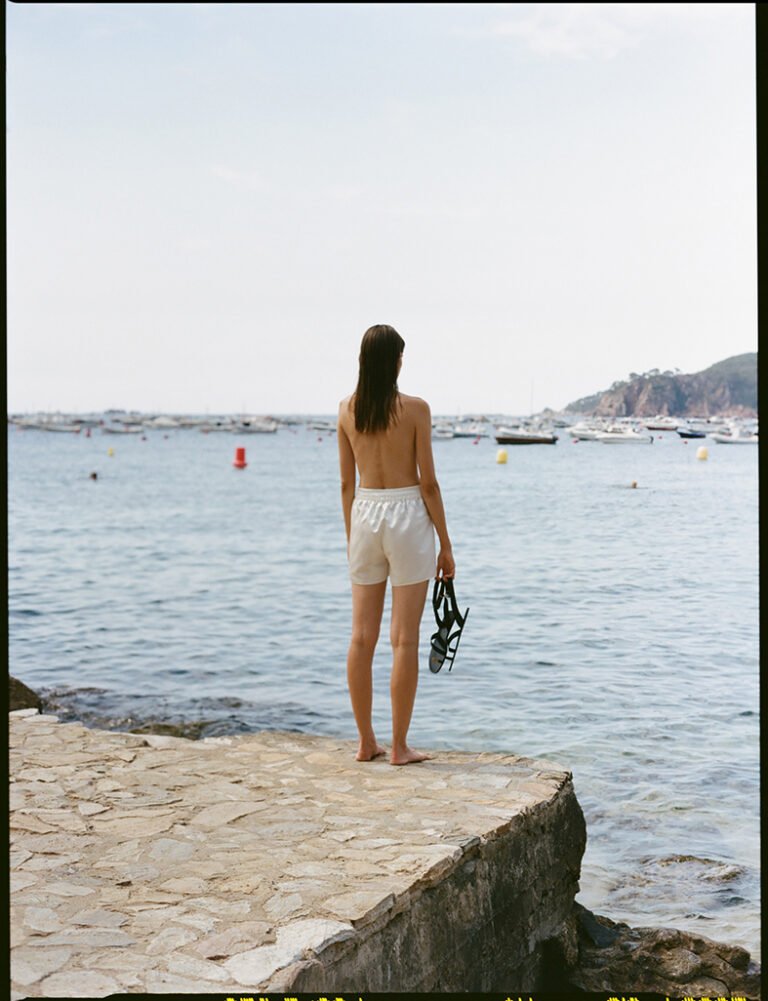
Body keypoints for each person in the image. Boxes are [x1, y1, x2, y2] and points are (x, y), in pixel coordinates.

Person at [337, 324, 455, 766]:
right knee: (404, 640)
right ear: (396, 361)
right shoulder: (416, 410)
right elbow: (429, 485)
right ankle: (399, 747)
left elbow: (346, 483)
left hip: (365, 515)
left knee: (360, 636)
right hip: (407, 515)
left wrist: (354, 537)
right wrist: (445, 544)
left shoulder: (347, 410)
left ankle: (366, 742)